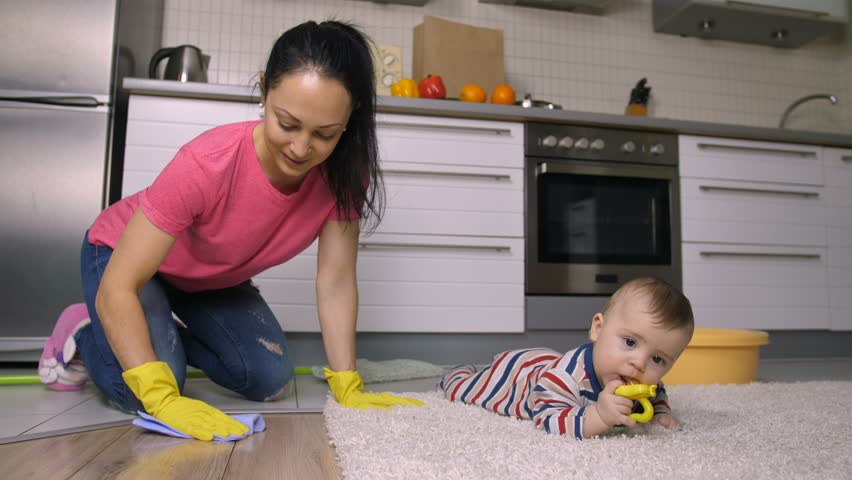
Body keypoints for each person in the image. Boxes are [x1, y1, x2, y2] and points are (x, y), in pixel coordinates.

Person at [57, 20, 423, 441]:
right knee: (144, 390)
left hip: (206, 278)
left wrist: (347, 381)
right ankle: (85, 331)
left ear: (350, 117)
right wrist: (162, 397)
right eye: (288, 124)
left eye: (324, 135)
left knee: (269, 377)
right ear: (265, 90)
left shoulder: (344, 176)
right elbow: (120, 284)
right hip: (124, 260)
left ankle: (150, 334)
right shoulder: (206, 163)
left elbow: (336, 280)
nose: (301, 149)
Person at [440, 277, 694, 440]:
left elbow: (657, 392)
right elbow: (547, 420)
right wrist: (599, 416)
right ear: (598, 329)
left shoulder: (641, 381)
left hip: (548, 360)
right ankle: (458, 371)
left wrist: (660, 411)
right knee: (465, 387)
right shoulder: (562, 380)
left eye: (658, 359)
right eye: (630, 342)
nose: (640, 364)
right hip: (518, 374)